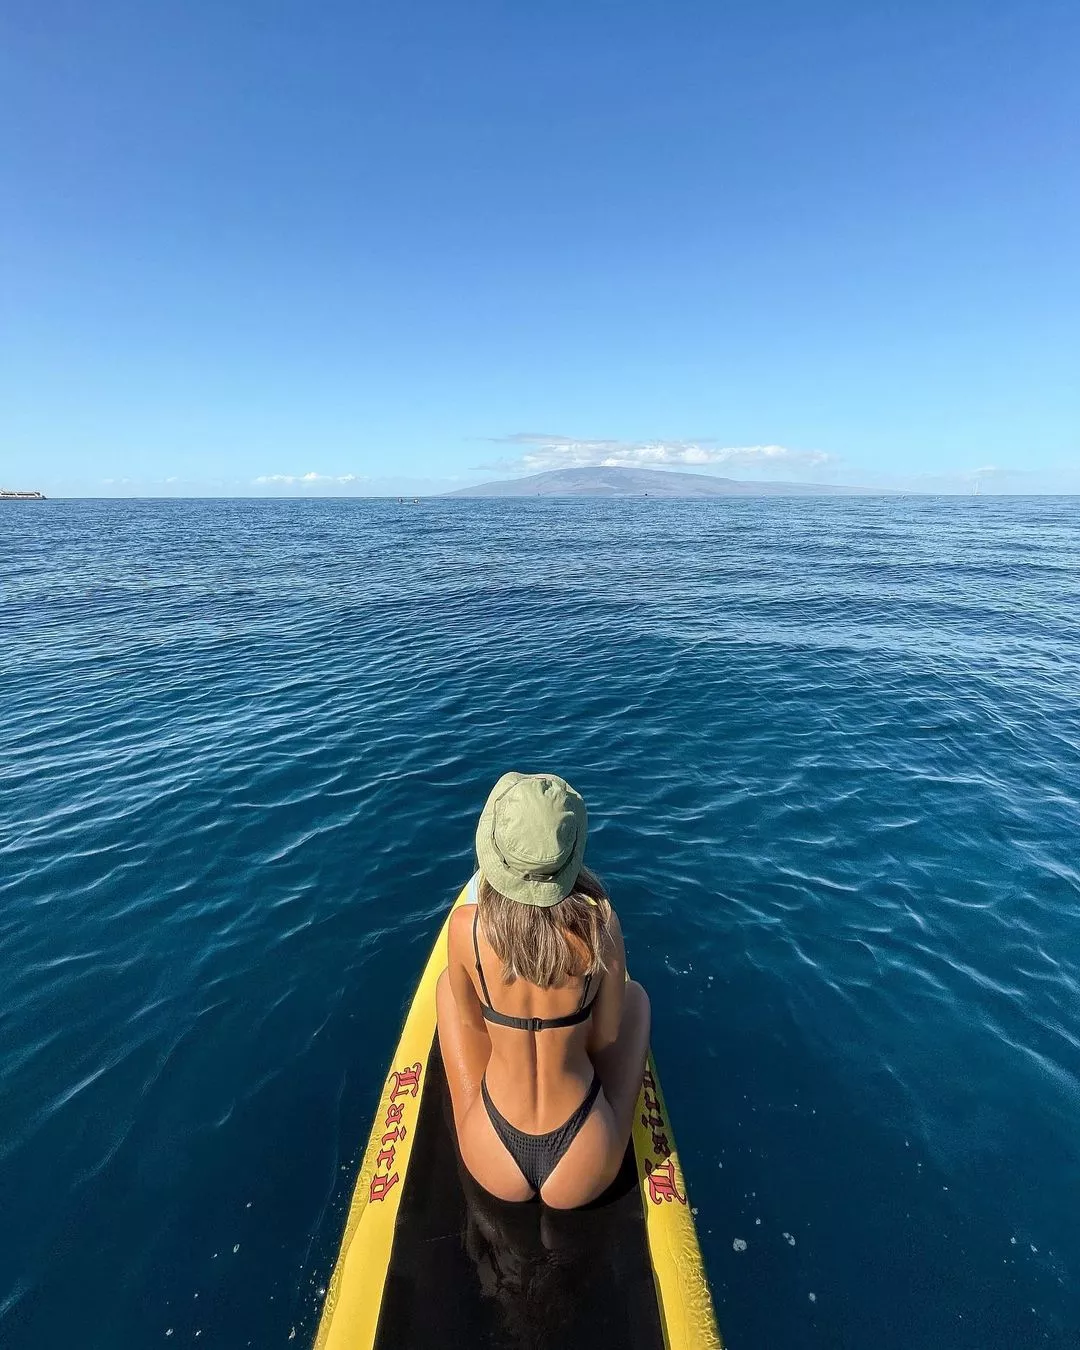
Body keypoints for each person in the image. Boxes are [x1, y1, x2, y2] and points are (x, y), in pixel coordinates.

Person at [436, 772, 652, 1209]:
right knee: (637, 998)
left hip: (491, 1157)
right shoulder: (600, 927)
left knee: (445, 988)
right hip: (584, 1162)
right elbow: (607, 1037)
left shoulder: (466, 929)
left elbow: (468, 1022)